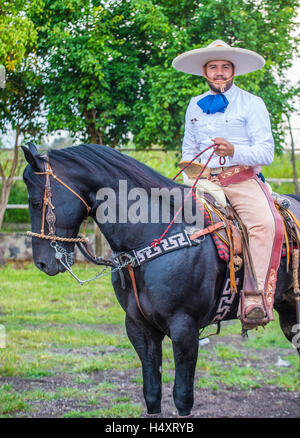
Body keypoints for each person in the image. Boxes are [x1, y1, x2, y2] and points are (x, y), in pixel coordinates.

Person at [172, 40, 284, 328]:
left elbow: (266, 152)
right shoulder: (193, 105)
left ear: (233, 71)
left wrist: (234, 150)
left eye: (225, 67)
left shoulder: (252, 103)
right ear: (205, 72)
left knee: (264, 224)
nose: (219, 72)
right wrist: (190, 171)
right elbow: (188, 147)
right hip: (202, 180)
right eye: (213, 67)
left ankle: (255, 298)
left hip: (241, 180)